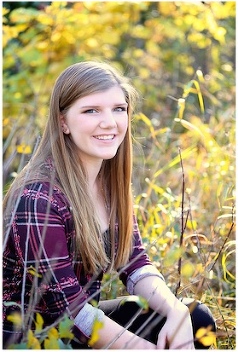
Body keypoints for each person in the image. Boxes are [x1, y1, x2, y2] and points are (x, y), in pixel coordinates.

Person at [2, 61, 216, 349]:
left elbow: (136, 264)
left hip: (79, 327)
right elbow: (68, 312)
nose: (110, 122)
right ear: (63, 121)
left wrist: (176, 313)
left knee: (195, 318)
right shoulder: (38, 198)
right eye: (91, 110)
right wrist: (144, 348)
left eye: (118, 109)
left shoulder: (108, 185)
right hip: (33, 339)